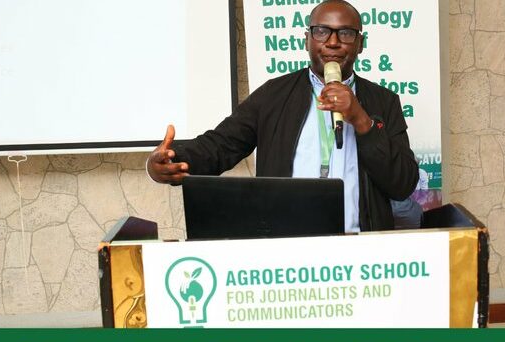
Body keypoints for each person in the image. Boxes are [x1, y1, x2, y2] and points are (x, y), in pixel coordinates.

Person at [147, 0, 419, 232]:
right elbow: (220, 146)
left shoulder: (384, 102)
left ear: (360, 43)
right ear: (307, 40)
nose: (333, 42)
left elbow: (403, 184)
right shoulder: (273, 95)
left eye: (346, 33)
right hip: (287, 255)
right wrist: (172, 160)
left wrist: (362, 121)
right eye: (322, 31)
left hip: (363, 253)